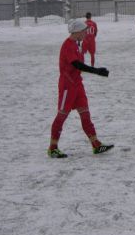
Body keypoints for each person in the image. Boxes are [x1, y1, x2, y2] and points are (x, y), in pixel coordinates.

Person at [47, 19, 113, 158]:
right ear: (77, 32)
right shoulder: (68, 45)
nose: (86, 34)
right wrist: (96, 71)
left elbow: (79, 66)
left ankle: (96, 145)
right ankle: (53, 147)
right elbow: (77, 64)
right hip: (67, 86)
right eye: (84, 31)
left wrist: (96, 71)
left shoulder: (77, 44)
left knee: (85, 114)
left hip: (78, 85)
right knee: (62, 116)